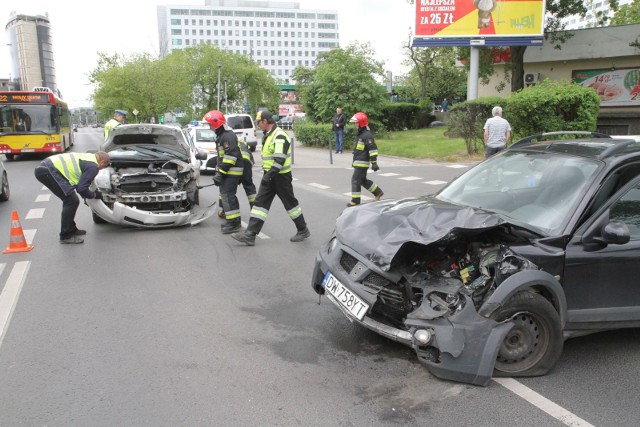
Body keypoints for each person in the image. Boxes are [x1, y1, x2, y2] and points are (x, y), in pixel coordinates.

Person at [232, 109, 310, 246]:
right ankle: (250, 234)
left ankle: (303, 230)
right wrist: (268, 176)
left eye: (258, 122)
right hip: (271, 176)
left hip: (280, 177)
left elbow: (279, 160)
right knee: (259, 205)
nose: (258, 125)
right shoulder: (270, 134)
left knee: (291, 205)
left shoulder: (279, 135)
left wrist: (268, 177)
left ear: (265, 121)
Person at [34, 151, 111, 244]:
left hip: (46, 167)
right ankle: (66, 235)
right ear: (102, 162)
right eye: (104, 166)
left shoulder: (89, 157)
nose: (102, 169)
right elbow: (81, 188)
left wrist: (86, 197)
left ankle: (72, 229)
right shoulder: (93, 166)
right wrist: (94, 195)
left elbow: (81, 184)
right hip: (49, 171)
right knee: (71, 201)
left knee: (72, 200)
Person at [204, 110, 244, 235]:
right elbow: (222, 157)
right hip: (228, 171)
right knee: (227, 195)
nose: (210, 127)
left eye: (210, 125)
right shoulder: (223, 136)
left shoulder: (227, 136)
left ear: (216, 124)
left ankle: (234, 223)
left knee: (228, 195)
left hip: (232, 171)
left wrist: (220, 173)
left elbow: (231, 156)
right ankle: (233, 220)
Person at [347, 112, 384, 207]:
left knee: (355, 180)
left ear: (361, 123)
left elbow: (373, 149)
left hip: (362, 163)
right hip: (358, 162)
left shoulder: (367, 135)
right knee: (363, 180)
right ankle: (377, 192)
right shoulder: (360, 134)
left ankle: (355, 201)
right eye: (354, 123)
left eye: (356, 122)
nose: (355, 124)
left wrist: (374, 163)